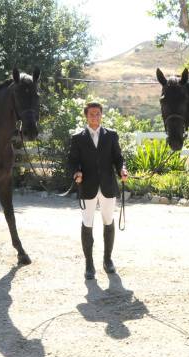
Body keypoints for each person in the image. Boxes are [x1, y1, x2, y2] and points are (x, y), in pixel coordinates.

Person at [68, 102, 128, 280]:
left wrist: (122, 170)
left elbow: (118, 158)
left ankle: (107, 260)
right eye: (91, 114)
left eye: (98, 114)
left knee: (108, 221)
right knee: (87, 224)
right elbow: (72, 161)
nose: (95, 117)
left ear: (101, 115)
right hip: (87, 186)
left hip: (108, 186)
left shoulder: (111, 135)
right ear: (86, 116)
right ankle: (89, 264)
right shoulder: (77, 137)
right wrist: (76, 172)